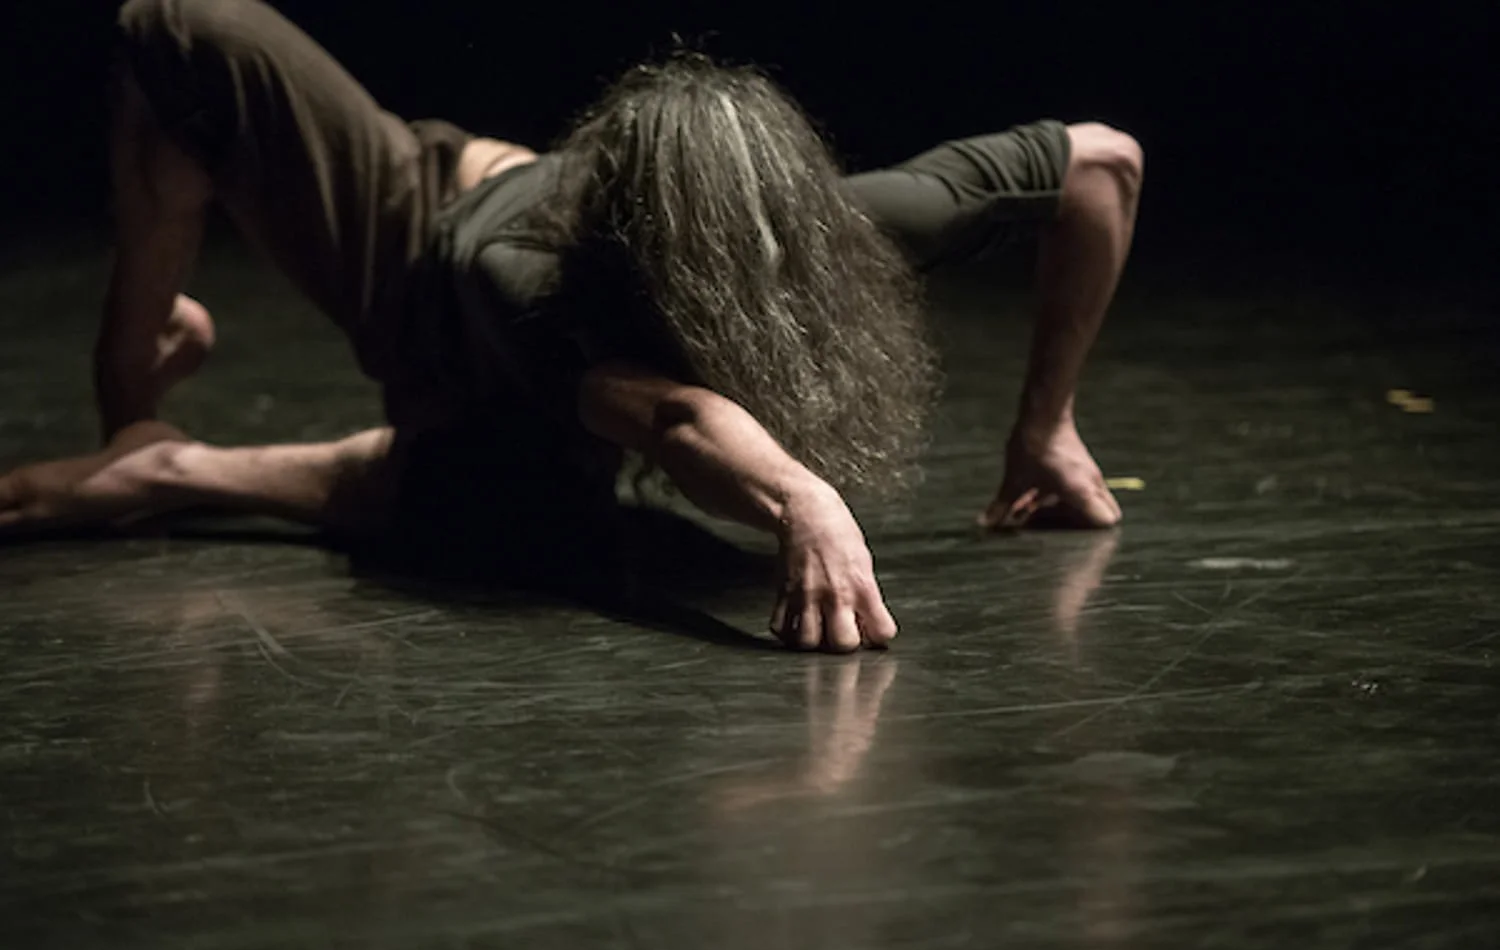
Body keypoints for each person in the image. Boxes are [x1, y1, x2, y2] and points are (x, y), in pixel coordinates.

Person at [0, 0, 1143, 653]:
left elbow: (1102, 162)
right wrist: (804, 493)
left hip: (486, 172)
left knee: (521, 514)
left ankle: (160, 457)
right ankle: (163, 459)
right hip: (425, 260)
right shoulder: (532, 287)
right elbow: (672, 413)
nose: (762, 278)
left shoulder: (845, 223)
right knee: (186, 25)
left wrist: (1046, 427)